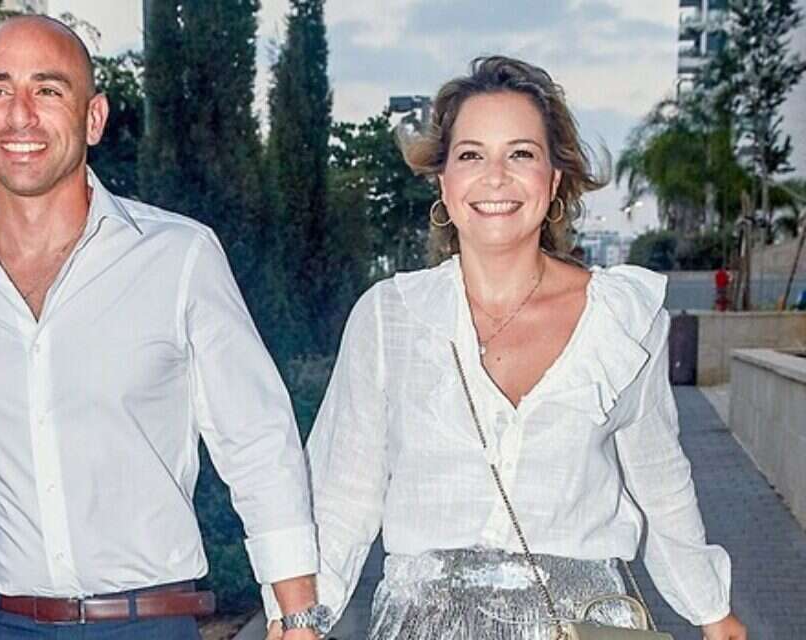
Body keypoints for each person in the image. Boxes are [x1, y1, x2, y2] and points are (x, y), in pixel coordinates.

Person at [265, 56, 746, 639]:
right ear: (443, 182)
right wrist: (300, 618)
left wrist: (711, 611)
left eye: (520, 154)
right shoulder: (390, 318)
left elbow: (659, 480)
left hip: (585, 622)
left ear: (554, 180)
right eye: (471, 155)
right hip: (425, 625)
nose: (495, 177)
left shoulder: (622, 319)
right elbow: (343, 493)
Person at [0, 15, 323, 640]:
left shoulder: (179, 257)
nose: (20, 114)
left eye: (48, 89)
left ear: (93, 117)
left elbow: (257, 444)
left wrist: (298, 618)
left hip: (142, 624)